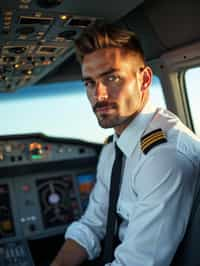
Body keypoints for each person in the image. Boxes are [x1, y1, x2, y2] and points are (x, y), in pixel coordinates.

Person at [51, 23, 200, 266]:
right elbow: (92, 225)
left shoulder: (164, 157)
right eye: (89, 83)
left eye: (111, 78)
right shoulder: (113, 149)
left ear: (144, 80)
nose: (98, 95)